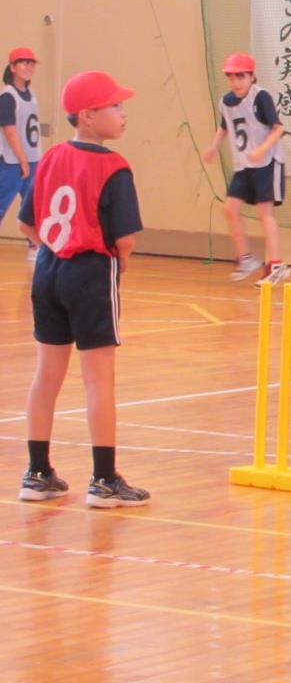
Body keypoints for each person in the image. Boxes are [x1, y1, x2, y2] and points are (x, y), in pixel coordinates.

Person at [17, 70, 148, 507]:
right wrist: (120, 264)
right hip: (91, 272)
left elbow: (26, 221)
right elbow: (125, 238)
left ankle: (37, 473)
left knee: (46, 374)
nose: (124, 113)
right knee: (99, 379)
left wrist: (53, 247)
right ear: (88, 116)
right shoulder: (114, 166)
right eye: (115, 106)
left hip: (48, 270)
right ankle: (105, 480)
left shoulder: (51, 157)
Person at [201, 53, 290, 284]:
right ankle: (246, 258)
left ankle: (277, 264)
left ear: (251, 76)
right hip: (244, 165)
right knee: (230, 208)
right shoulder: (226, 102)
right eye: (231, 77)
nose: (236, 82)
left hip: (267, 163)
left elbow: (278, 128)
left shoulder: (260, 97)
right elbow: (224, 128)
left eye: (241, 76)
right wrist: (213, 148)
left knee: (264, 213)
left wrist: (262, 149)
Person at [1, 46, 42, 263]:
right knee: (2, 203)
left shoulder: (31, 94)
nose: (29, 66)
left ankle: (35, 245)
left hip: (33, 159)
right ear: (13, 67)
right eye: (24, 62)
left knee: (33, 205)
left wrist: (34, 159)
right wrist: (23, 161)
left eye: (32, 63)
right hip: (12, 162)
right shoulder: (7, 96)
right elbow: (9, 130)